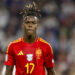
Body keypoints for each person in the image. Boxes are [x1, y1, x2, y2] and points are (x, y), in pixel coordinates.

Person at [5, 2, 56, 75]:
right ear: (23, 25)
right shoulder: (13, 46)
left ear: (37, 25)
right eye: (27, 22)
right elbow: (8, 72)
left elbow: (51, 71)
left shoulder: (46, 47)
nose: (30, 25)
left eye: (33, 23)